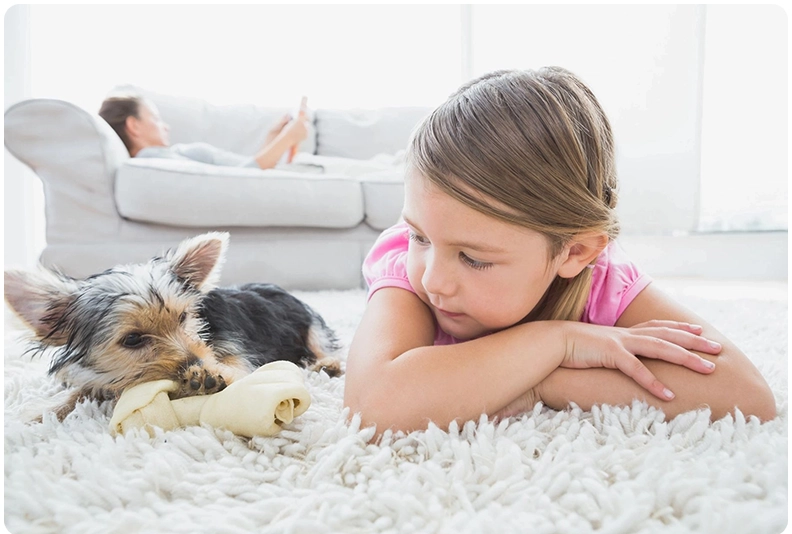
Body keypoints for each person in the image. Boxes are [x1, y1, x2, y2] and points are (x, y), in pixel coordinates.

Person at [343, 67, 776, 435]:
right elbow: (371, 407)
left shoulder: (602, 282)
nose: (432, 278)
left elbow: (747, 397)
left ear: (575, 252)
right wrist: (557, 342)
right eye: (420, 235)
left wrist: (542, 383)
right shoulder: (408, 270)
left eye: (474, 258)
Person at [98, 95, 309, 170]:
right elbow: (244, 177)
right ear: (134, 125)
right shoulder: (151, 159)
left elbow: (246, 171)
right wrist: (287, 138)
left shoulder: (168, 157)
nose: (166, 126)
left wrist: (273, 138)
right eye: (155, 118)